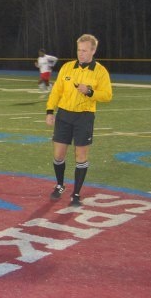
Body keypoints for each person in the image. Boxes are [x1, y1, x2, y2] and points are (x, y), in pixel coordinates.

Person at [45, 33, 113, 206]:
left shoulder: (100, 72)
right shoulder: (67, 68)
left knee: (80, 155)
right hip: (64, 115)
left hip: (84, 116)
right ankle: (60, 185)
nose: (80, 53)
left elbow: (107, 95)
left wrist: (90, 92)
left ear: (93, 50)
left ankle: (76, 194)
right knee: (58, 154)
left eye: (84, 50)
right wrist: (50, 111)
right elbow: (56, 91)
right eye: (78, 50)